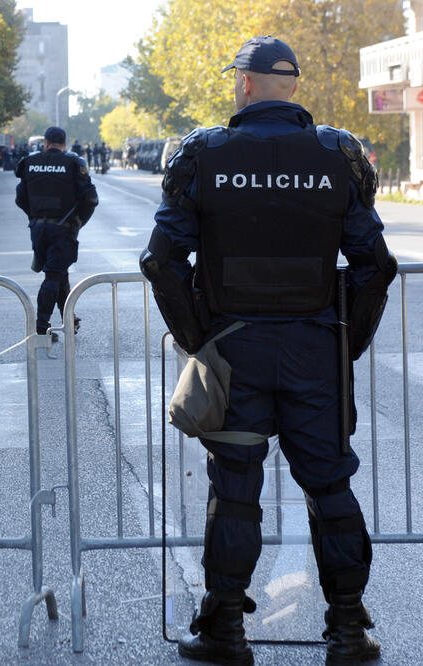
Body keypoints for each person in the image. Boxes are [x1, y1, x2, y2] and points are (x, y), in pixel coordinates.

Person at [140, 36, 396, 666]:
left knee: (234, 490)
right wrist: (348, 343)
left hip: (236, 349)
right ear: (294, 85)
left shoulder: (204, 153)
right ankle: (344, 631)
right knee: (329, 488)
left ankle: (225, 630)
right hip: (314, 349)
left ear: (245, 83)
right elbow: (376, 264)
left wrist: (200, 339)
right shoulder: (338, 154)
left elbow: (161, 260)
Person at [14, 126, 98, 339]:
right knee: (53, 275)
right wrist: (78, 221)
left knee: (60, 273)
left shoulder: (30, 163)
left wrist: (35, 217)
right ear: (65, 143)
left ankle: (69, 320)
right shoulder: (73, 163)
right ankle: (41, 328)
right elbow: (91, 199)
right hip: (64, 229)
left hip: (38, 229)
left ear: (45, 143)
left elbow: (20, 198)